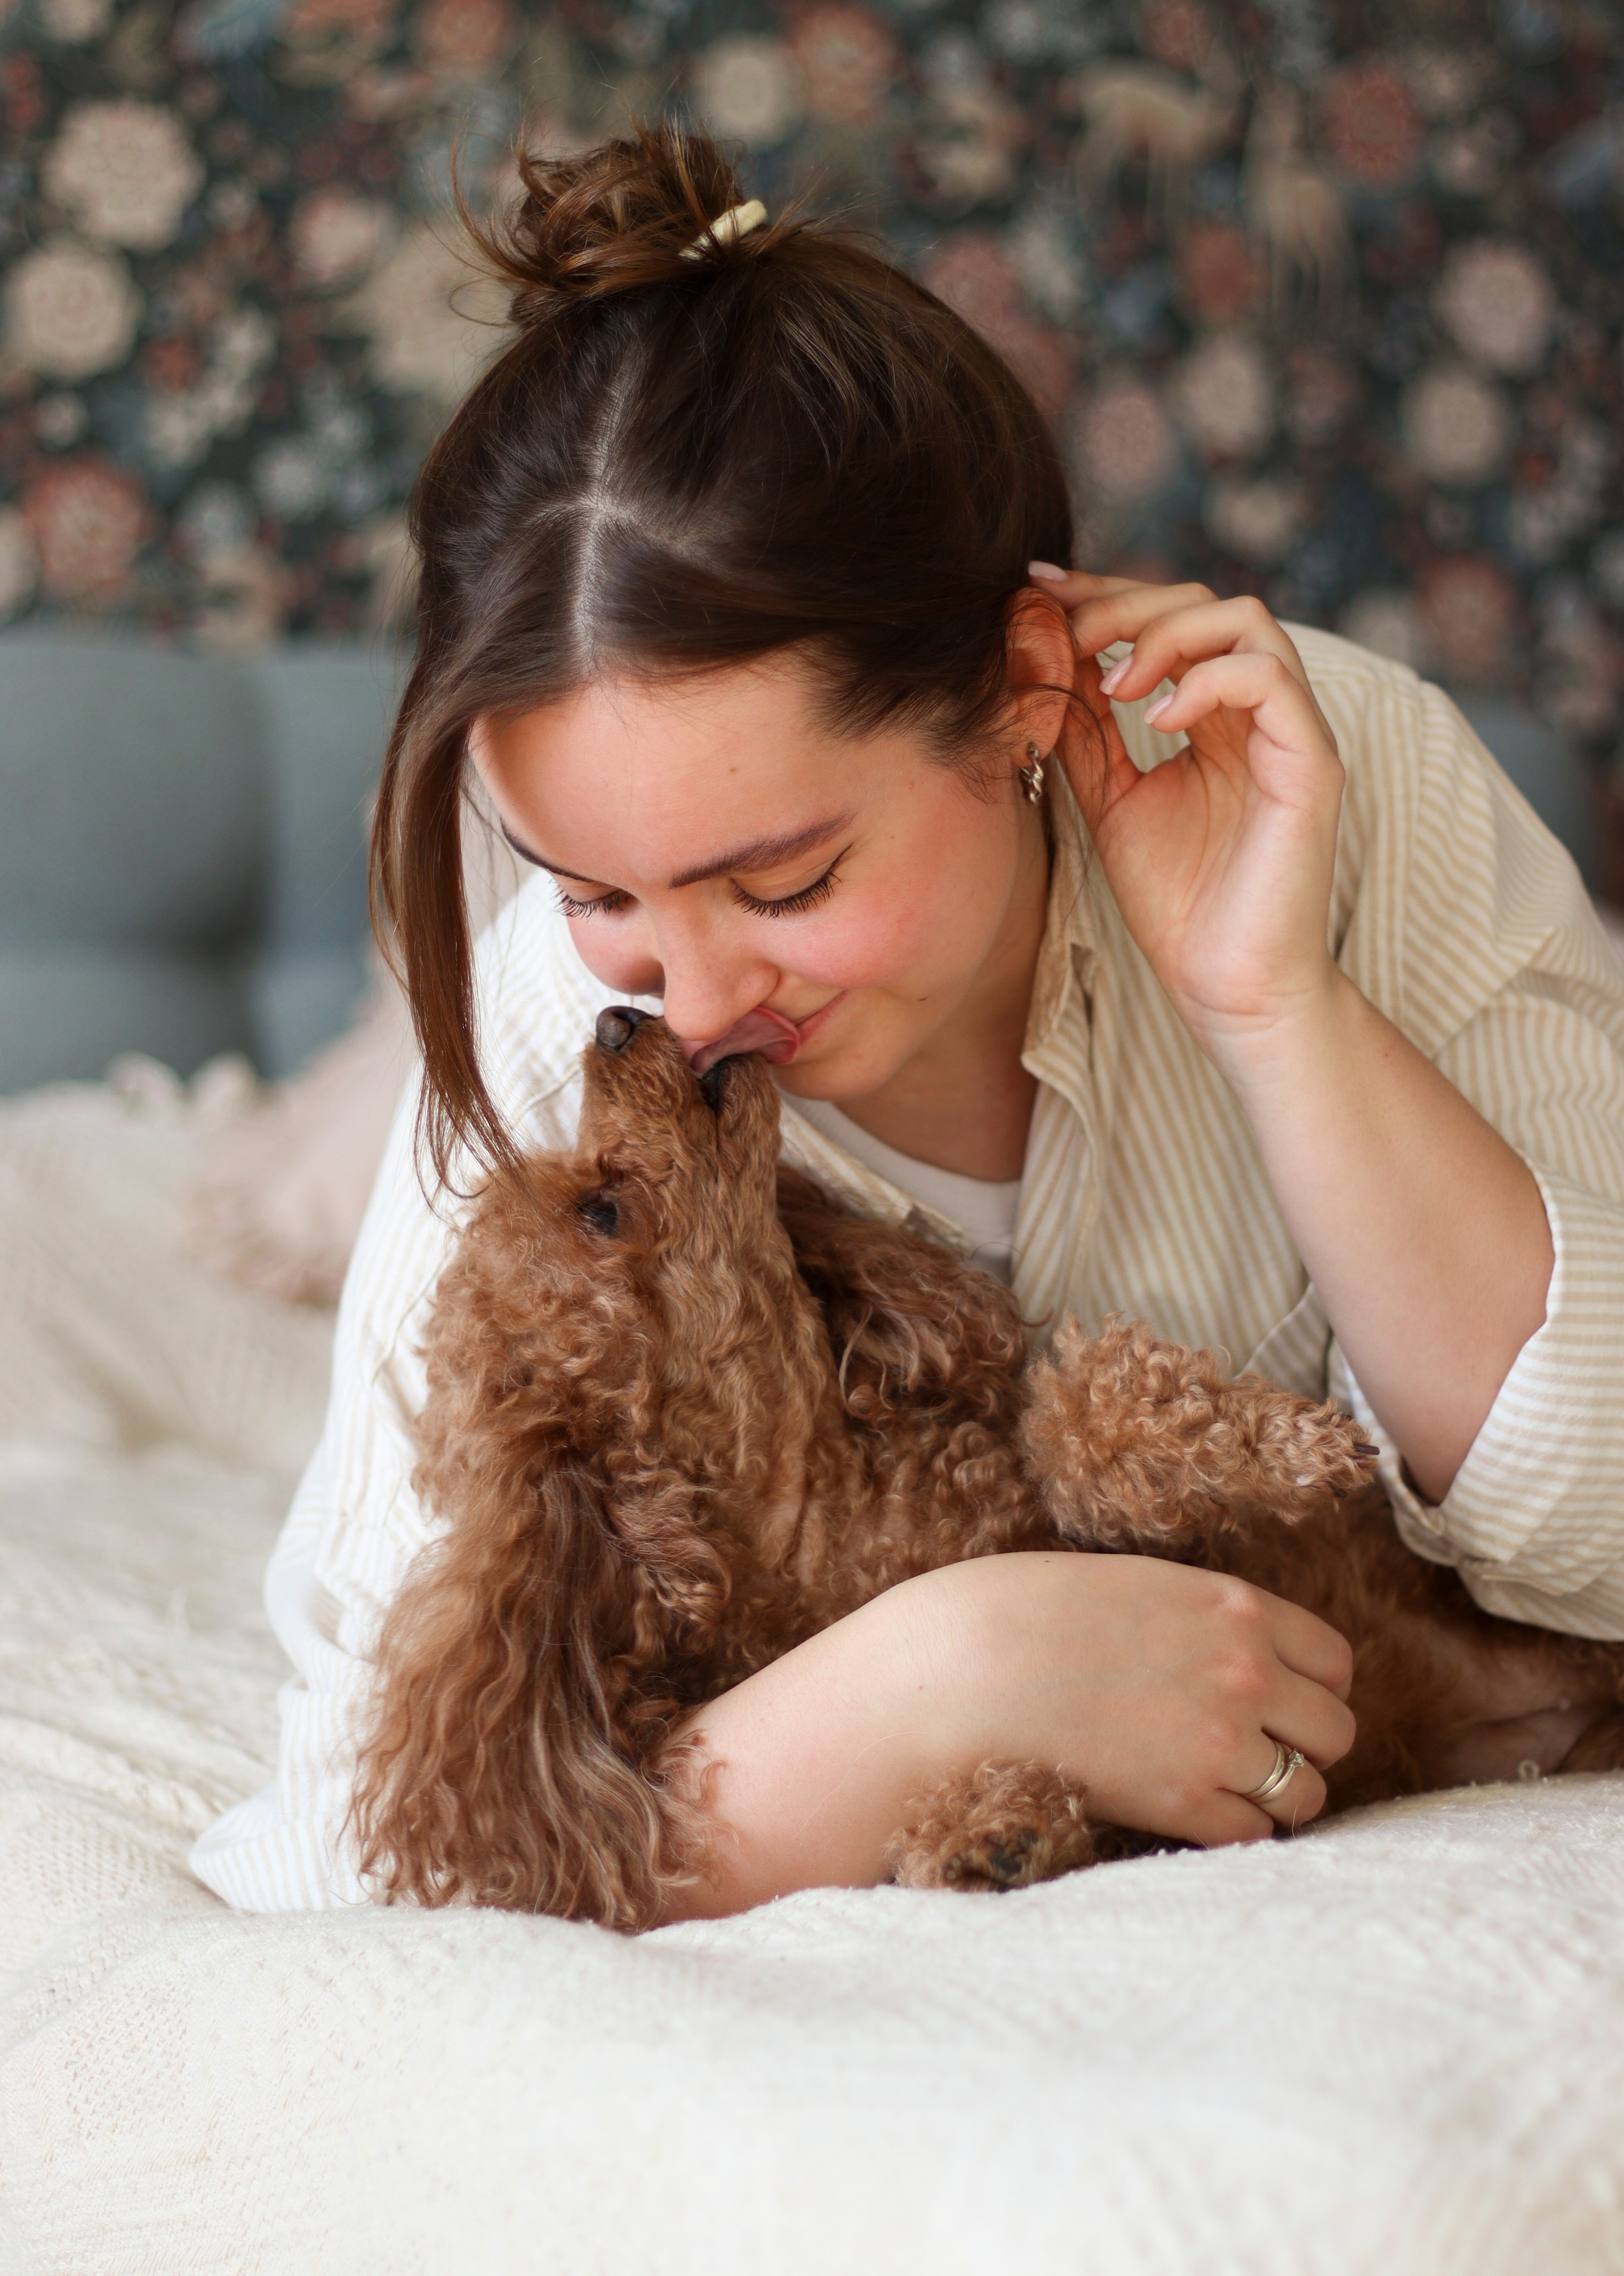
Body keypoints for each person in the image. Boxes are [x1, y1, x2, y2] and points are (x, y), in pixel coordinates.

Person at [190, 128, 1624, 1918]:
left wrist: (1272, 1007)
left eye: (781, 884)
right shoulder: (566, 1034)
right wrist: (935, 1686)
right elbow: (348, 1845)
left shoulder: (1342, 782)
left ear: (1026, 688)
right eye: (596, 889)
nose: (691, 1013)